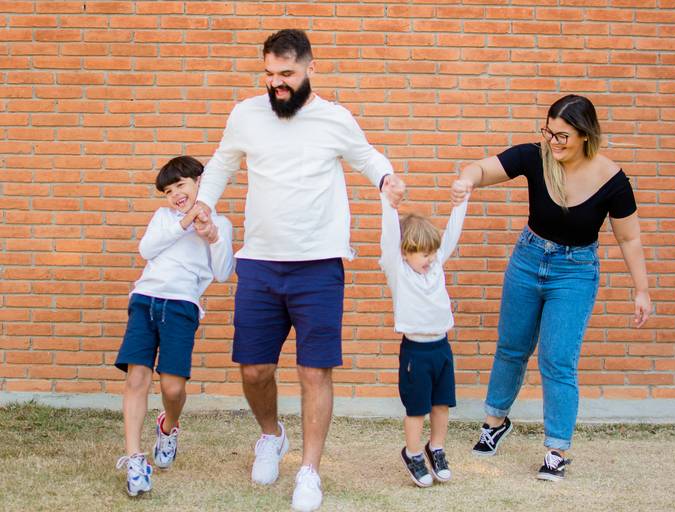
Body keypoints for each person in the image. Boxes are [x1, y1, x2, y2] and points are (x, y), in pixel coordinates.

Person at [192, 29, 405, 511]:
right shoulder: (246, 114)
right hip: (260, 263)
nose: (277, 84)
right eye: (269, 75)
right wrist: (205, 203)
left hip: (318, 265)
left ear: (309, 68)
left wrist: (387, 178)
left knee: (315, 373)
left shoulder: (334, 119)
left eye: (286, 74)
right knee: (254, 369)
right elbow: (222, 164)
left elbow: (367, 157)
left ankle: (309, 471)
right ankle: (271, 435)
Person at [451, 94, 651, 482]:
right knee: (512, 346)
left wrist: (641, 289)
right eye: (549, 132)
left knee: (558, 359)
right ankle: (495, 423)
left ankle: (556, 450)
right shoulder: (534, 156)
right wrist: (466, 181)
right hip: (528, 260)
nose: (553, 142)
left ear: (585, 136)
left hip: (575, 272)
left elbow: (630, 239)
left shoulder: (612, 180)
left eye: (562, 136)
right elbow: (482, 168)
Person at [114, 156, 234, 496]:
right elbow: (146, 249)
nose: (175, 195)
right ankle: (135, 458)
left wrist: (211, 235)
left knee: (173, 389)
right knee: (137, 377)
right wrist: (183, 222)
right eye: (168, 191)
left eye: (181, 185)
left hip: (182, 307)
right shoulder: (164, 218)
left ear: (201, 182)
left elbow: (223, 272)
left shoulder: (221, 225)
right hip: (145, 298)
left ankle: (169, 426)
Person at [378, 193, 469, 488]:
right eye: (423, 253)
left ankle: (436, 448)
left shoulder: (437, 264)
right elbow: (390, 238)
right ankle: (414, 453)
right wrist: (387, 204)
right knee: (417, 408)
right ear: (405, 252)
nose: (430, 259)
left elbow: (453, 231)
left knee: (441, 404)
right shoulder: (398, 271)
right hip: (415, 352)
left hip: (442, 348)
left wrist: (462, 200)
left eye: (433, 252)